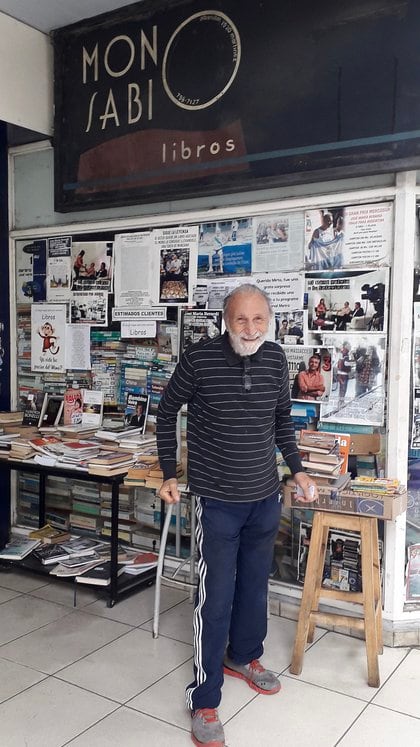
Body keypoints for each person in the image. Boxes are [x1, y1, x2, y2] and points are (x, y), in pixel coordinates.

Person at [156, 284, 317, 747]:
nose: (250, 329)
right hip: (218, 501)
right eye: (240, 320)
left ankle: (244, 656)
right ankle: (204, 698)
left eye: (258, 320)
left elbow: (282, 420)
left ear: (271, 320)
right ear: (226, 320)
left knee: (253, 586)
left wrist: (299, 470)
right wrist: (170, 471)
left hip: (265, 498)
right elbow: (167, 414)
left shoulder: (276, 359)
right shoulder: (199, 359)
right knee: (215, 598)